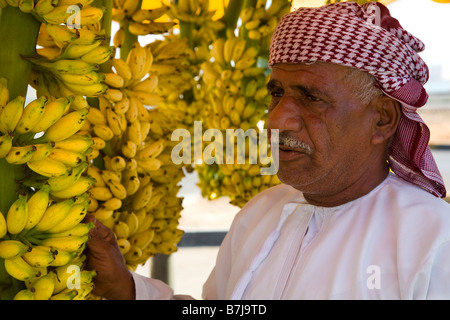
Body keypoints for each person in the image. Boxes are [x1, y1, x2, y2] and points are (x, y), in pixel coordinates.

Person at [85, 2, 450, 300]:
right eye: (277, 94)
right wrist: (127, 290)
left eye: (312, 98)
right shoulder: (259, 214)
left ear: (382, 120)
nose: (277, 121)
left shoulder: (434, 240)